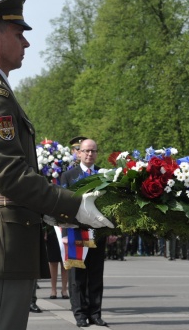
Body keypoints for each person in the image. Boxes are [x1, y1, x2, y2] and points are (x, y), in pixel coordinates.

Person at [0, 0, 113, 330]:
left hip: (0, 239)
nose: (26, 43)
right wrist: (75, 206)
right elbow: (10, 176)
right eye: (18, 33)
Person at [60, 138, 108, 328]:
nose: (90, 154)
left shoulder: (104, 175)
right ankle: (80, 315)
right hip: (76, 233)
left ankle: (95, 313)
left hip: (98, 233)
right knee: (77, 277)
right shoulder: (69, 176)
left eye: (93, 151)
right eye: (86, 151)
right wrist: (65, 230)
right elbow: (63, 205)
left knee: (96, 275)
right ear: (78, 153)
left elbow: (109, 207)